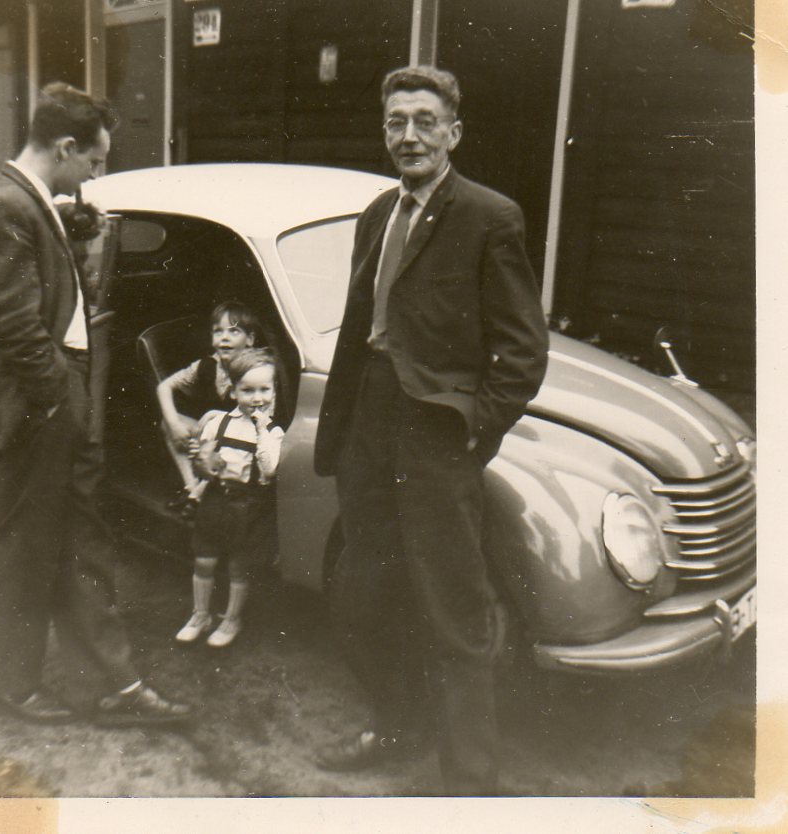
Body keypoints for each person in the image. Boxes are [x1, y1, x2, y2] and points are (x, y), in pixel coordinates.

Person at [313, 66, 549, 794]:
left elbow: (523, 351)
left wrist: (473, 430)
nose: (409, 135)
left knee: (453, 610)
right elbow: (359, 327)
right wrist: (346, 426)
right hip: (370, 424)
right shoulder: (376, 214)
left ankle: (469, 781)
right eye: (396, 122)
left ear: (453, 132)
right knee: (362, 596)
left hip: (436, 431)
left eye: (424, 121)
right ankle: (396, 725)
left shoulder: (489, 216)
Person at [0, 82, 192, 726]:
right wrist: (60, 399)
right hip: (43, 403)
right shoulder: (7, 205)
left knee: (76, 541)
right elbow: (13, 322)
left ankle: (112, 685)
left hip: (55, 397)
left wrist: (70, 233)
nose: (95, 175)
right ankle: (19, 684)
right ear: (65, 147)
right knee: (28, 546)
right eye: (94, 161)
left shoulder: (26, 200)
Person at [176, 347, 283, 648]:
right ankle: (200, 615)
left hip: (248, 506)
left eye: (264, 390)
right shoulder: (219, 423)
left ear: (274, 391)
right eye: (247, 390)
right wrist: (202, 459)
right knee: (204, 559)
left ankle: (232, 618)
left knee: (238, 566)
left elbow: (269, 468)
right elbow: (201, 465)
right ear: (233, 391)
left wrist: (261, 428)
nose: (257, 398)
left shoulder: (273, 433)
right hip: (216, 500)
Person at [156, 301, 260, 517]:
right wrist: (175, 424)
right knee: (170, 423)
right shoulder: (207, 365)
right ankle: (192, 487)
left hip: (243, 439)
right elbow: (164, 387)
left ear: (249, 339)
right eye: (218, 331)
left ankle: (201, 494)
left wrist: (214, 416)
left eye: (234, 331)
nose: (224, 338)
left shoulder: (256, 369)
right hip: (214, 436)